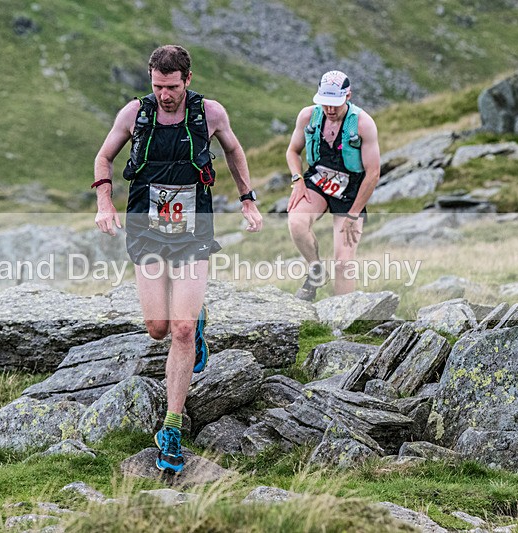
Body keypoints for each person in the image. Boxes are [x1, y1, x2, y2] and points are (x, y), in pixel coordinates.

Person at [93, 45, 263, 474]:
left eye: (171, 87)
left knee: (181, 329)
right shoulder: (135, 114)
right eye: (157, 87)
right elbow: (104, 156)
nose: (165, 95)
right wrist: (104, 202)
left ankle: (171, 428)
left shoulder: (211, 113)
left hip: (193, 229)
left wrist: (247, 200)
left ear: (187, 79)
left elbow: (234, 152)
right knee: (157, 329)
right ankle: (195, 319)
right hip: (147, 228)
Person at [286, 70, 380, 300]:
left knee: (343, 263)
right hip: (318, 180)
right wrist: (298, 180)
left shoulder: (363, 124)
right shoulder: (308, 116)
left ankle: (340, 323)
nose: (330, 110)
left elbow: (373, 172)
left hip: (350, 190)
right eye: (325, 103)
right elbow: (292, 151)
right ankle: (316, 271)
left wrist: (354, 214)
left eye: (335, 104)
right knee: (297, 223)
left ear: (348, 96)